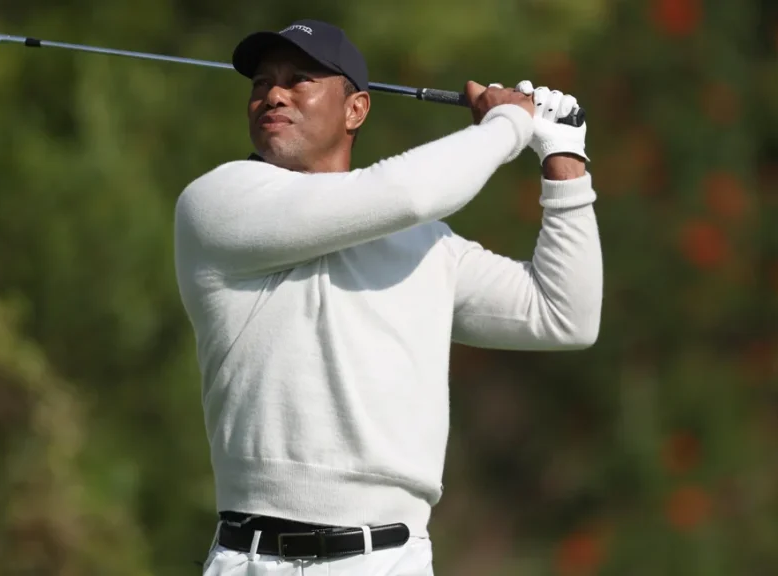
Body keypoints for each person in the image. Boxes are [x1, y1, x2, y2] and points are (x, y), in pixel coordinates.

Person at [174, 18, 603, 576]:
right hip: (251, 560)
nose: (273, 94)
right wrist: (508, 125)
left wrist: (563, 155)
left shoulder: (426, 246)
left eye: (299, 79)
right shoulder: (217, 203)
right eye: (261, 83)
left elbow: (563, 315)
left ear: (356, 109)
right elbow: (405, 192)